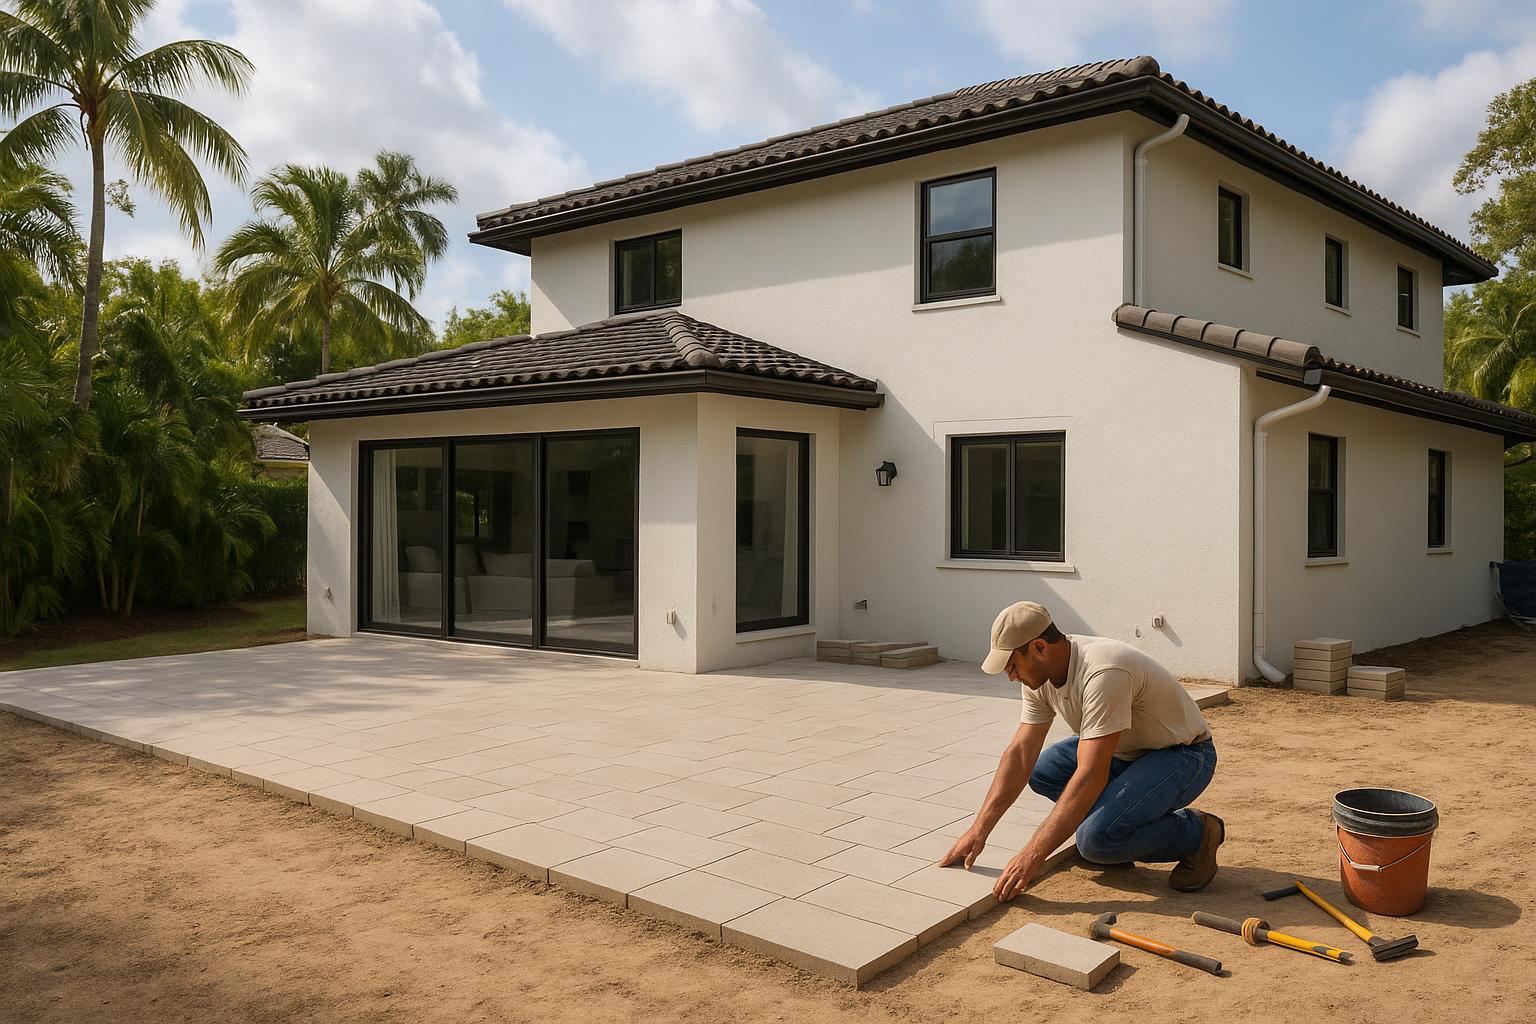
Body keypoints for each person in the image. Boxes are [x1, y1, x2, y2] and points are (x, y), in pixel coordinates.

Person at [938, 601, 1223, 900]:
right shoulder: (1039, 677)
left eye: (1012, 665)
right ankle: (1119, 827)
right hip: (1125, 749)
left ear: (1039, 647)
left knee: (1094, 840)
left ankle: (1197, 834)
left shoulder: (1103, 671)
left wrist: (1032, 856)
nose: (1010, 676)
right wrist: (978, 830)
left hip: (1183, 755)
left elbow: (1090, 775)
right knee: (1042, 772)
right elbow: (1021, 753)